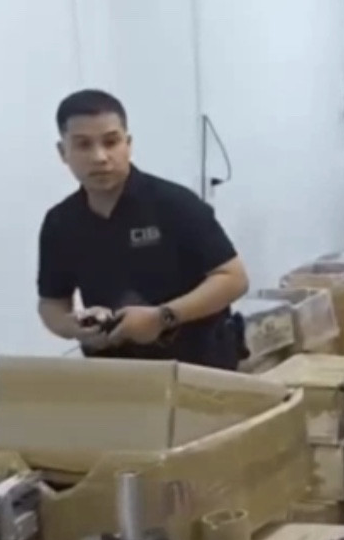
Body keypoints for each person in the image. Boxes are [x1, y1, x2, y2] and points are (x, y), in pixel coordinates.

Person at [37, 89, 249, 369]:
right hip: (114, 372)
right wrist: (73, 326)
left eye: (111, 142)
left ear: (128, 144)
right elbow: (51, 303)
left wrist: (163, 317)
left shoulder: (174, 204)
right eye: (83, 145)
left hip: (198, 367)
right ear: (63, 152)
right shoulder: (61, 222)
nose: (100, 157)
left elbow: (233, 278)